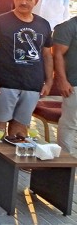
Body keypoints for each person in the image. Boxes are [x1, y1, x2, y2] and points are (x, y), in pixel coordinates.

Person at [0, 0, 53, 138]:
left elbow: (47, 55)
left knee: (20, 129)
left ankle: (15, 152)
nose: (23, 2)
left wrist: (49, 82)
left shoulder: (44, 24)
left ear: (36, 1)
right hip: (5, 83)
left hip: (32, 84)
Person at [53, 16, 77, 155]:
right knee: (70, 124)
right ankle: (66, 160)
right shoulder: (68, 27)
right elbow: (57, 54)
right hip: (74, 84)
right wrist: (62, 80)